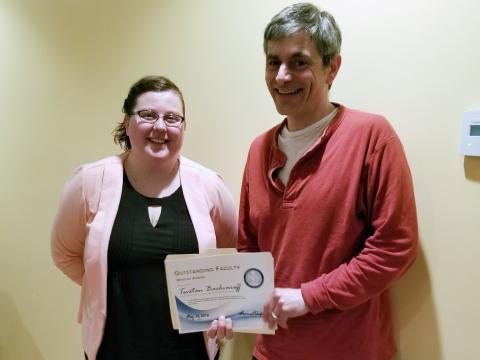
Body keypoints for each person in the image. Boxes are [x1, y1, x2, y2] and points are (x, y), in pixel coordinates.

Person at [237, 3, 419, 360]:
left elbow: (395, 247)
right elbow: (248, 249)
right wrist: (229, 309)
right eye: (273, 62)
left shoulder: (371, 136)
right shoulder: (259, 149)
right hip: (271, 352)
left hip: (350, 349)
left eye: (299, 62)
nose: (281, 77)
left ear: (332, 67)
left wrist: (308, 297)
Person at [51, 75, 236, 360]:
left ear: (183, 127)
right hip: (112, 347)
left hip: (191, 351)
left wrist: (222, 306)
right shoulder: (90, 181)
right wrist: (104, 288)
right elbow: (65, 254)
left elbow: (239, 251)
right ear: (127, 122)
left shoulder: (209, 185)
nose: (161, 127)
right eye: (148, 115)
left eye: (172, 118)